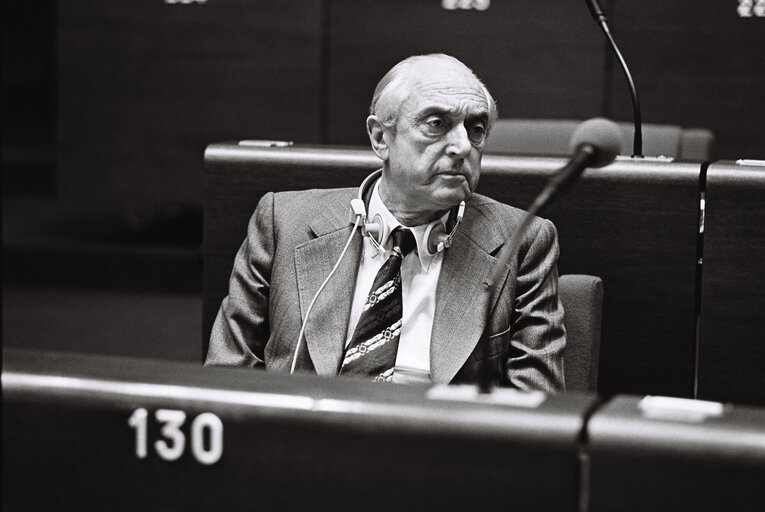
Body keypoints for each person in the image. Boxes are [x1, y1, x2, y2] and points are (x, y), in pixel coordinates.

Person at [206, 54, 566, 391]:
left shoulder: (523, 241)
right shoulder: (284, 222)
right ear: (381, 138)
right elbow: (227, 376)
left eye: (475, 128)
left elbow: (536, 407)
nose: (462, 146)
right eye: (437, 124)